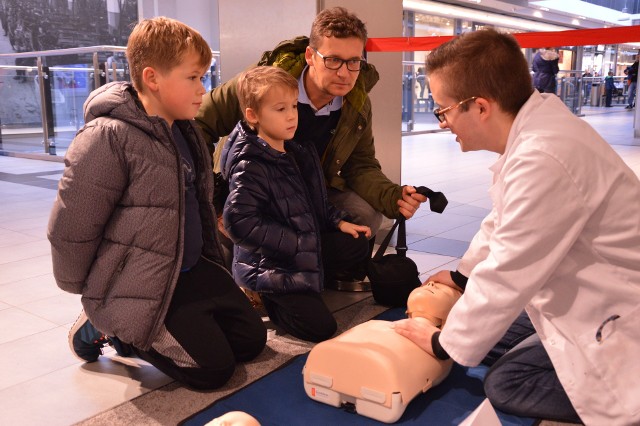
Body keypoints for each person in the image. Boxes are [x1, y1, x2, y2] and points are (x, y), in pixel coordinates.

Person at [393, 29, 640, 425]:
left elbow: (507, 271)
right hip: (585, 288)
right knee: (484, 331)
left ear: (480, 107)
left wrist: (442, 344)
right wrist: (460, 277)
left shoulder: (543, 156)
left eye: (444, 110)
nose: (443, 122)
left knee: (506, 383)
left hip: (617, 311)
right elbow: (502, 223)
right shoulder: (536, 130)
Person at [47, 17, 267, 390]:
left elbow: (196, 204)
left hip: (190, 268)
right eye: (193, 77)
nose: (203, 89)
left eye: (204, 77)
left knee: (250, 342)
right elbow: (72, 224)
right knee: (213, 370)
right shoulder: (108, 138)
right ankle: (105, 322)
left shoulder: (185, 130)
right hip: (140, 281)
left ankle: (154, 320)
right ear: (152, 78)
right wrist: (91, 291)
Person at [196, 7, 429, 285]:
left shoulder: (355, 102)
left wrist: (393, 196)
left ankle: (308, 262)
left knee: (365, 213)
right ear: (310, 56)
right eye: (333, 60)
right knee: (229, 257)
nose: (344, 73)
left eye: (354, 61)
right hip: (252, 193)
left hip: (308, 194)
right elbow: (198, 124)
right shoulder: (262, 82)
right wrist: (211, 195)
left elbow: (361, 165)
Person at [221, 66, 371, 342]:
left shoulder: (296, 149)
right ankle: (266, 297)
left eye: (293, 106)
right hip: (272, 263)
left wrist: (338, 221)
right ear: (253, 116)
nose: (292, 115)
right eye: (280, 109)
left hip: (299, 247)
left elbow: (314, 200)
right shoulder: (250, 164)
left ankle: (309, 283)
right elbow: (239, 222)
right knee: (320, 328)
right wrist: (295, 242)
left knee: (357, 242)